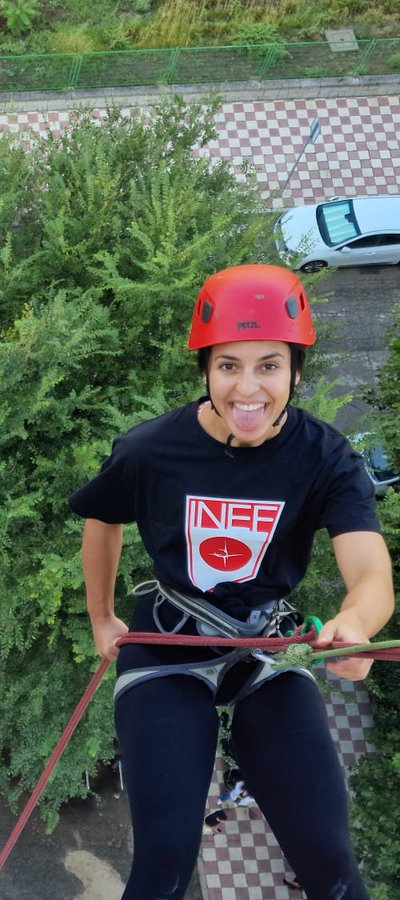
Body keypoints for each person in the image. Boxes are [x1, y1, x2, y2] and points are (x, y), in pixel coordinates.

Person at [69, 265, 395, 900]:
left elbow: (370, 572)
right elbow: (102, 517)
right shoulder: (151, 450)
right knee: (163, 862)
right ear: (205, 372)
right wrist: (102, 617)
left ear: (296, 371)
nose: (248, 389)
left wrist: (355, 626)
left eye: (269, 365)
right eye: (228, 366)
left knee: (330, 865)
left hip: (265, 645)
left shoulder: (324, 457)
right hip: (170, 638)